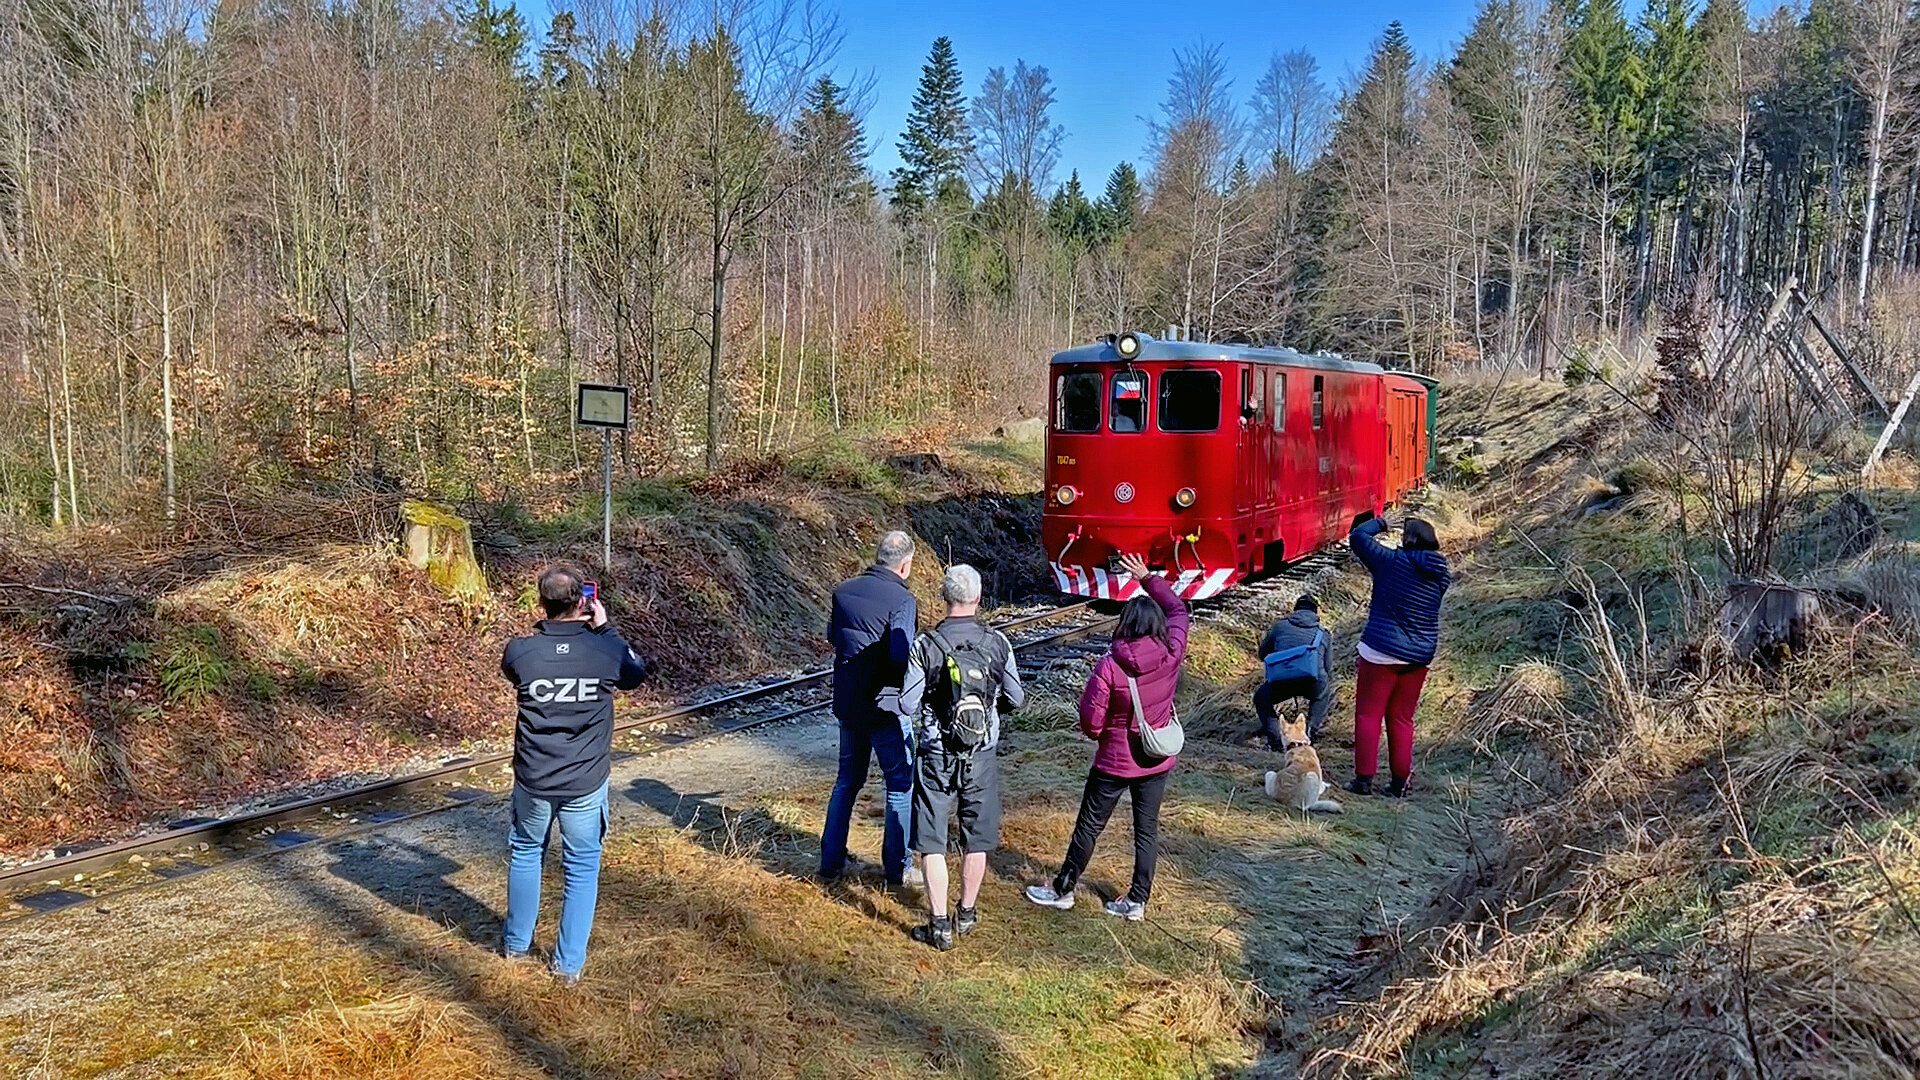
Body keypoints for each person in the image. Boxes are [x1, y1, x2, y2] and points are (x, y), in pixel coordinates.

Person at [500, 566, 647, 985]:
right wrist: (605, 629)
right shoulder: (606, 650)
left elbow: (514, 673)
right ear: (584, 602)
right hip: (584, 780)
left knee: (526, 852)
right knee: (581, 867)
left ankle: (515, 946)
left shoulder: (520, 652)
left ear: (540, 603)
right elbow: (636, 675)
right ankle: (567, 968)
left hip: (533, 776)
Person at [1026, 552, 1188, 921]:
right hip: (1156, 759)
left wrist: (1103, 735)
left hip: (1114, 762)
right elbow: (1178, 610)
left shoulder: (1110, 666)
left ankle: (1063, 889)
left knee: (1089, 827)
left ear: (1124, 624)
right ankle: (1137, 901)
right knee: (1146, 831)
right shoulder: (1172, 652)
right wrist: (1147, 577)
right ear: (1158, 626)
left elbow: (1090, 721)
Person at [896, 564, 1024, 950]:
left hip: (936, 754)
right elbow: (1016, 697)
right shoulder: (998, 643)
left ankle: (938, 925)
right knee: (977, 838)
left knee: (931, 839)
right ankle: (966, 914)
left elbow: (907, 703)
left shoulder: (925, 645)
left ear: (943, 597)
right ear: (979, 598)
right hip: (981, 753)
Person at [820, 530, 921, 888]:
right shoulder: (903, 600)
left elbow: (834, 637)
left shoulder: (843, 591)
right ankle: (898, 868)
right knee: (899, 784)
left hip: (849, 702)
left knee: (847, 781)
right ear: (905, 564)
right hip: (885, 706)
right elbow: (900, 653)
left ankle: (830, 863)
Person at [1347, 515, 1452, 798]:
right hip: (1419, 655)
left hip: (1381, 650)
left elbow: (1358, 537)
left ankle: (1364, 780)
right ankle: (1399, 784)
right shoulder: (1441, 574)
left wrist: (1381, 523)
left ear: (1408, 539)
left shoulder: (1390, 561)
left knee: (1369, 715)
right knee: (1402, 719)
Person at [1253, 595, 1335, 750]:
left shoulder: (1279, 627)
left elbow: (1263, 654)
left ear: (1295, 610)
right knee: (1322, 694)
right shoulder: (1323, 633)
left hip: (1282, 679)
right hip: (1312, 681)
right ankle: (1309, 735)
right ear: (1316, 613)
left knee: (1261, 699)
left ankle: (1276, 741)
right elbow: (1327, 666)